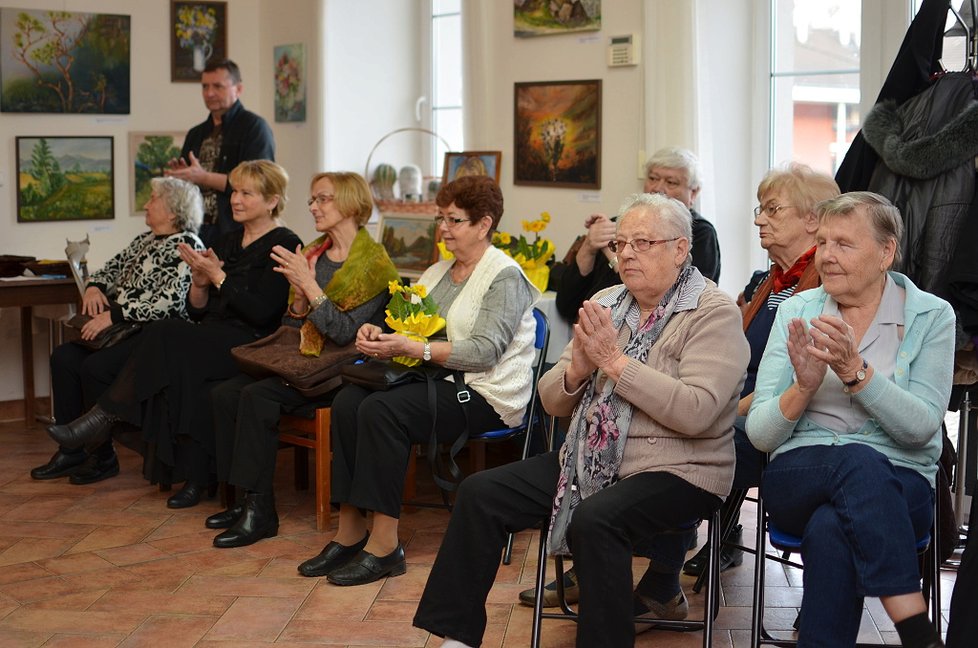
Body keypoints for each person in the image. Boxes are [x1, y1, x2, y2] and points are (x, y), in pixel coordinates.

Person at [414, 193, 750, 648]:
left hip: (680, 470)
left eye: (643, 242)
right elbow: (552, 401)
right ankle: (456, 638)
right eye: (622, 243)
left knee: (597, 518)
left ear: (679, 249)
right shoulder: (607, 302)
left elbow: (696, 412)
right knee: (480, 492)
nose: (627, 253)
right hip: (590, 459)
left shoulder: (713, 312)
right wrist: (577, 370)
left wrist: (613, 363)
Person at [294, 175, 538, 586]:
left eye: (454, 221)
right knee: (349, 402)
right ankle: (350, 530)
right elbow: (408, 324)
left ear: (484, 224)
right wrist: (379, 335)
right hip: (437, 380)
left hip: (484, 393)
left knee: (384, 411)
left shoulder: (504, 277)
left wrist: (414, 349)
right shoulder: (438, 271)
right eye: (441, 218)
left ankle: (385, 547)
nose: (443, 229)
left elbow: (485, 351)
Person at [746, 192, 954, 648]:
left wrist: (854, 373)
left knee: (831, 528)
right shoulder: (797, 311)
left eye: (844, 244)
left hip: (903, 486)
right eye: (822, 243)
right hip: (800, 474)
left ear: (886, 252)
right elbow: (760, 434)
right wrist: (802, 387)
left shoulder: (932, 315)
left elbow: (921, 427)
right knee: (857, 463)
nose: (827, 256)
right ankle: (915, 629)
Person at [47, 160, 302, 510]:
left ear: (272, 201)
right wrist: (199, 284)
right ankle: (195, 479)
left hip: (253, 341)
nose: (235, 200)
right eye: (235, 192)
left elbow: (263, 313)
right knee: (181, 375)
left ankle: (103, 417)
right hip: (213, 334)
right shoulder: (227, 241)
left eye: (246, 193)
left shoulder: (284, 243)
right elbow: (198, 309)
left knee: (166, 333)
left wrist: (218, 278)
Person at [207, 172, 399, 548]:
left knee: (257, 396)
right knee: (225, 393)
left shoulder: (374, 264)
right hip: (305, 361)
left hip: (342, 370)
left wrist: (310, 288)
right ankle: (245, 498)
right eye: (313, 199)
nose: (313, 207)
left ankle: (261, 512)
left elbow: (345, 334)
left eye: (323, 199)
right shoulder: (312, 252)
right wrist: (297, 298)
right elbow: (289, 323)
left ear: (350, 204)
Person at [681, 163, 841, 577]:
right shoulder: (764, 282)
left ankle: (665, 559)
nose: (758, 219)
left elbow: (789, 380)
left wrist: (722, 410)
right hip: (740, 402)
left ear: (813, 219)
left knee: (692, 440)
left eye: (772, 209)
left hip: (782, 414)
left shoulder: (830, 285)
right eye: (759, 209)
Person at [31, 178, 205, 485]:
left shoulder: (188, 245)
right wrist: (95, 288)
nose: (147, 205)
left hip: (153, 336)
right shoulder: (146, 239)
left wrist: (115, 314)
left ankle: (102, 456)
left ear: (173, 210)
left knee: (93, 367)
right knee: (63, 357)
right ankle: (71, 451)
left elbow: (171, 302)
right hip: (122, 328)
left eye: (153, 199)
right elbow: (108, 270)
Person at [554, 146, 720, 324]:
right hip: (588, 325)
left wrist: (613, 254)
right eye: (653, 178)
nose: (658, 188)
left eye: (671, 182)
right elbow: (565, 305)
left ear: (693, 192)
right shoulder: (620, 223)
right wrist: (589, 247)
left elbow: (678, 301)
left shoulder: (700, 233)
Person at [165, 59, 275, 247]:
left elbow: (259, 184)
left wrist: (203, 177)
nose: (209, 93)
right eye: (205, 86)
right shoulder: (196, 133)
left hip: (235, 230)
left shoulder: (254, 127)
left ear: (238, 89)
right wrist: (183, 176)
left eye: (218, 86)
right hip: (195, 229)